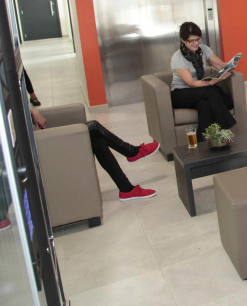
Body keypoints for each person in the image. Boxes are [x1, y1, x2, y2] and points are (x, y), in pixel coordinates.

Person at [30, 108, 159, 201]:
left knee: (98, 141)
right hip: (44, 147)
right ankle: (131, 151)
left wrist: (33, 111)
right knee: (94, 126)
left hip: (44, 139)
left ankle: (126, 189)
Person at [170, 22, 236, 139]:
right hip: (180, 93)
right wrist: (211, 82)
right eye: (192, 40)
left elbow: (220, 65)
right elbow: (191, 83)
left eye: (198, 39)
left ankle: (202, 141)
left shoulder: (203, 50)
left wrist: (231, 65)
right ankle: (226, 128)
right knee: (211, 91)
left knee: (205, 105)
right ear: (183, 40)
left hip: (199, 91)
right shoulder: (178, 57)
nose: (196, 43)